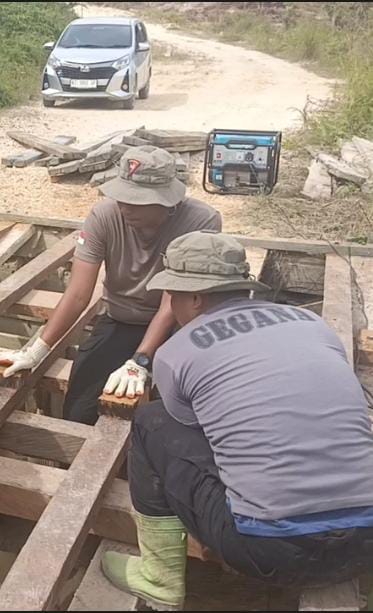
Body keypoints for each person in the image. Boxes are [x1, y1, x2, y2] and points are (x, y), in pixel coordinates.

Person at [102, 231, 373, 610]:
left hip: (270, 551)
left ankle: (159, 576)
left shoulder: (176, 353)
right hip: (365, 545)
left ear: (195, 298)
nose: (170, 305)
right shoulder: (312, 324)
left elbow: (195, 432)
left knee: (151, 421)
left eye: (172, 295)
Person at [0, 146, 222, 425]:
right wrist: (37, 351)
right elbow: (78, 294)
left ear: (166, 200)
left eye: (136, 201)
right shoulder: (104, 216)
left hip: (178, 325)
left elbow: (171, 303)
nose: (125, 207)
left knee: (172, 412)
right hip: (120, 319)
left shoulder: (200, 221)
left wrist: (140, 362)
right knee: (80, 409)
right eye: (122, 197)